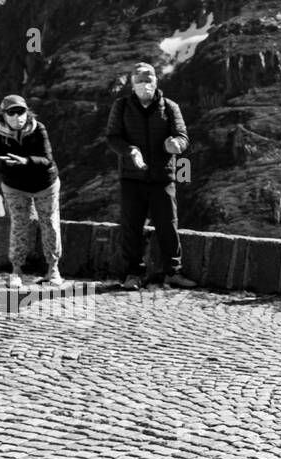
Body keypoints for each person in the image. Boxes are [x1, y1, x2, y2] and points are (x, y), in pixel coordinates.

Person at [104, 62, 195, 290]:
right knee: (131, 227)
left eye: (149, 80)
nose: (145, 85)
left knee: (168, 225)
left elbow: (183, 136)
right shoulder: (122, 106)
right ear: (132, 85)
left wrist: (175, 144)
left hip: (163, 178)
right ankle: (133, 274)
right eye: (140, 81)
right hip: (131, 178)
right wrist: (130, 151)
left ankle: (173, 272)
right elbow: (113, 137)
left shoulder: (170, 107)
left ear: (156, 81)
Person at [0, 94, 62, 287]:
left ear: (27, 111)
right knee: (19, 225)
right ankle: (16, 271)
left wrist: (26, 161)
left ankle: (53, 270)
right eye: (11, 113)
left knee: (50, 224)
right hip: (14, 186)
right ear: (3, 115)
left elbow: (47, 159)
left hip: (45, 185)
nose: (17, 116)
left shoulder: (38, 129)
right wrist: (6, 165)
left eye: (20, 111)